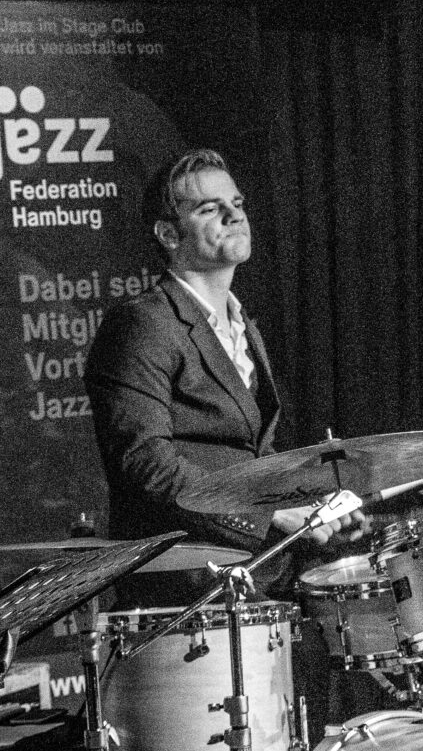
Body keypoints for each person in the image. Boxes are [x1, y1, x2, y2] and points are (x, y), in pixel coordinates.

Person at [86, 149, 283, 543]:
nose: (234, 215)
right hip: (189, 563)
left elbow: (253, 452)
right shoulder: (143, 323)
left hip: (255, 558)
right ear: (169, 234)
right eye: (209, 209)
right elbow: (144, 461)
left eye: (237, 203)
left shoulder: (243, 324)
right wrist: (266, 511)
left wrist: (310, 503)